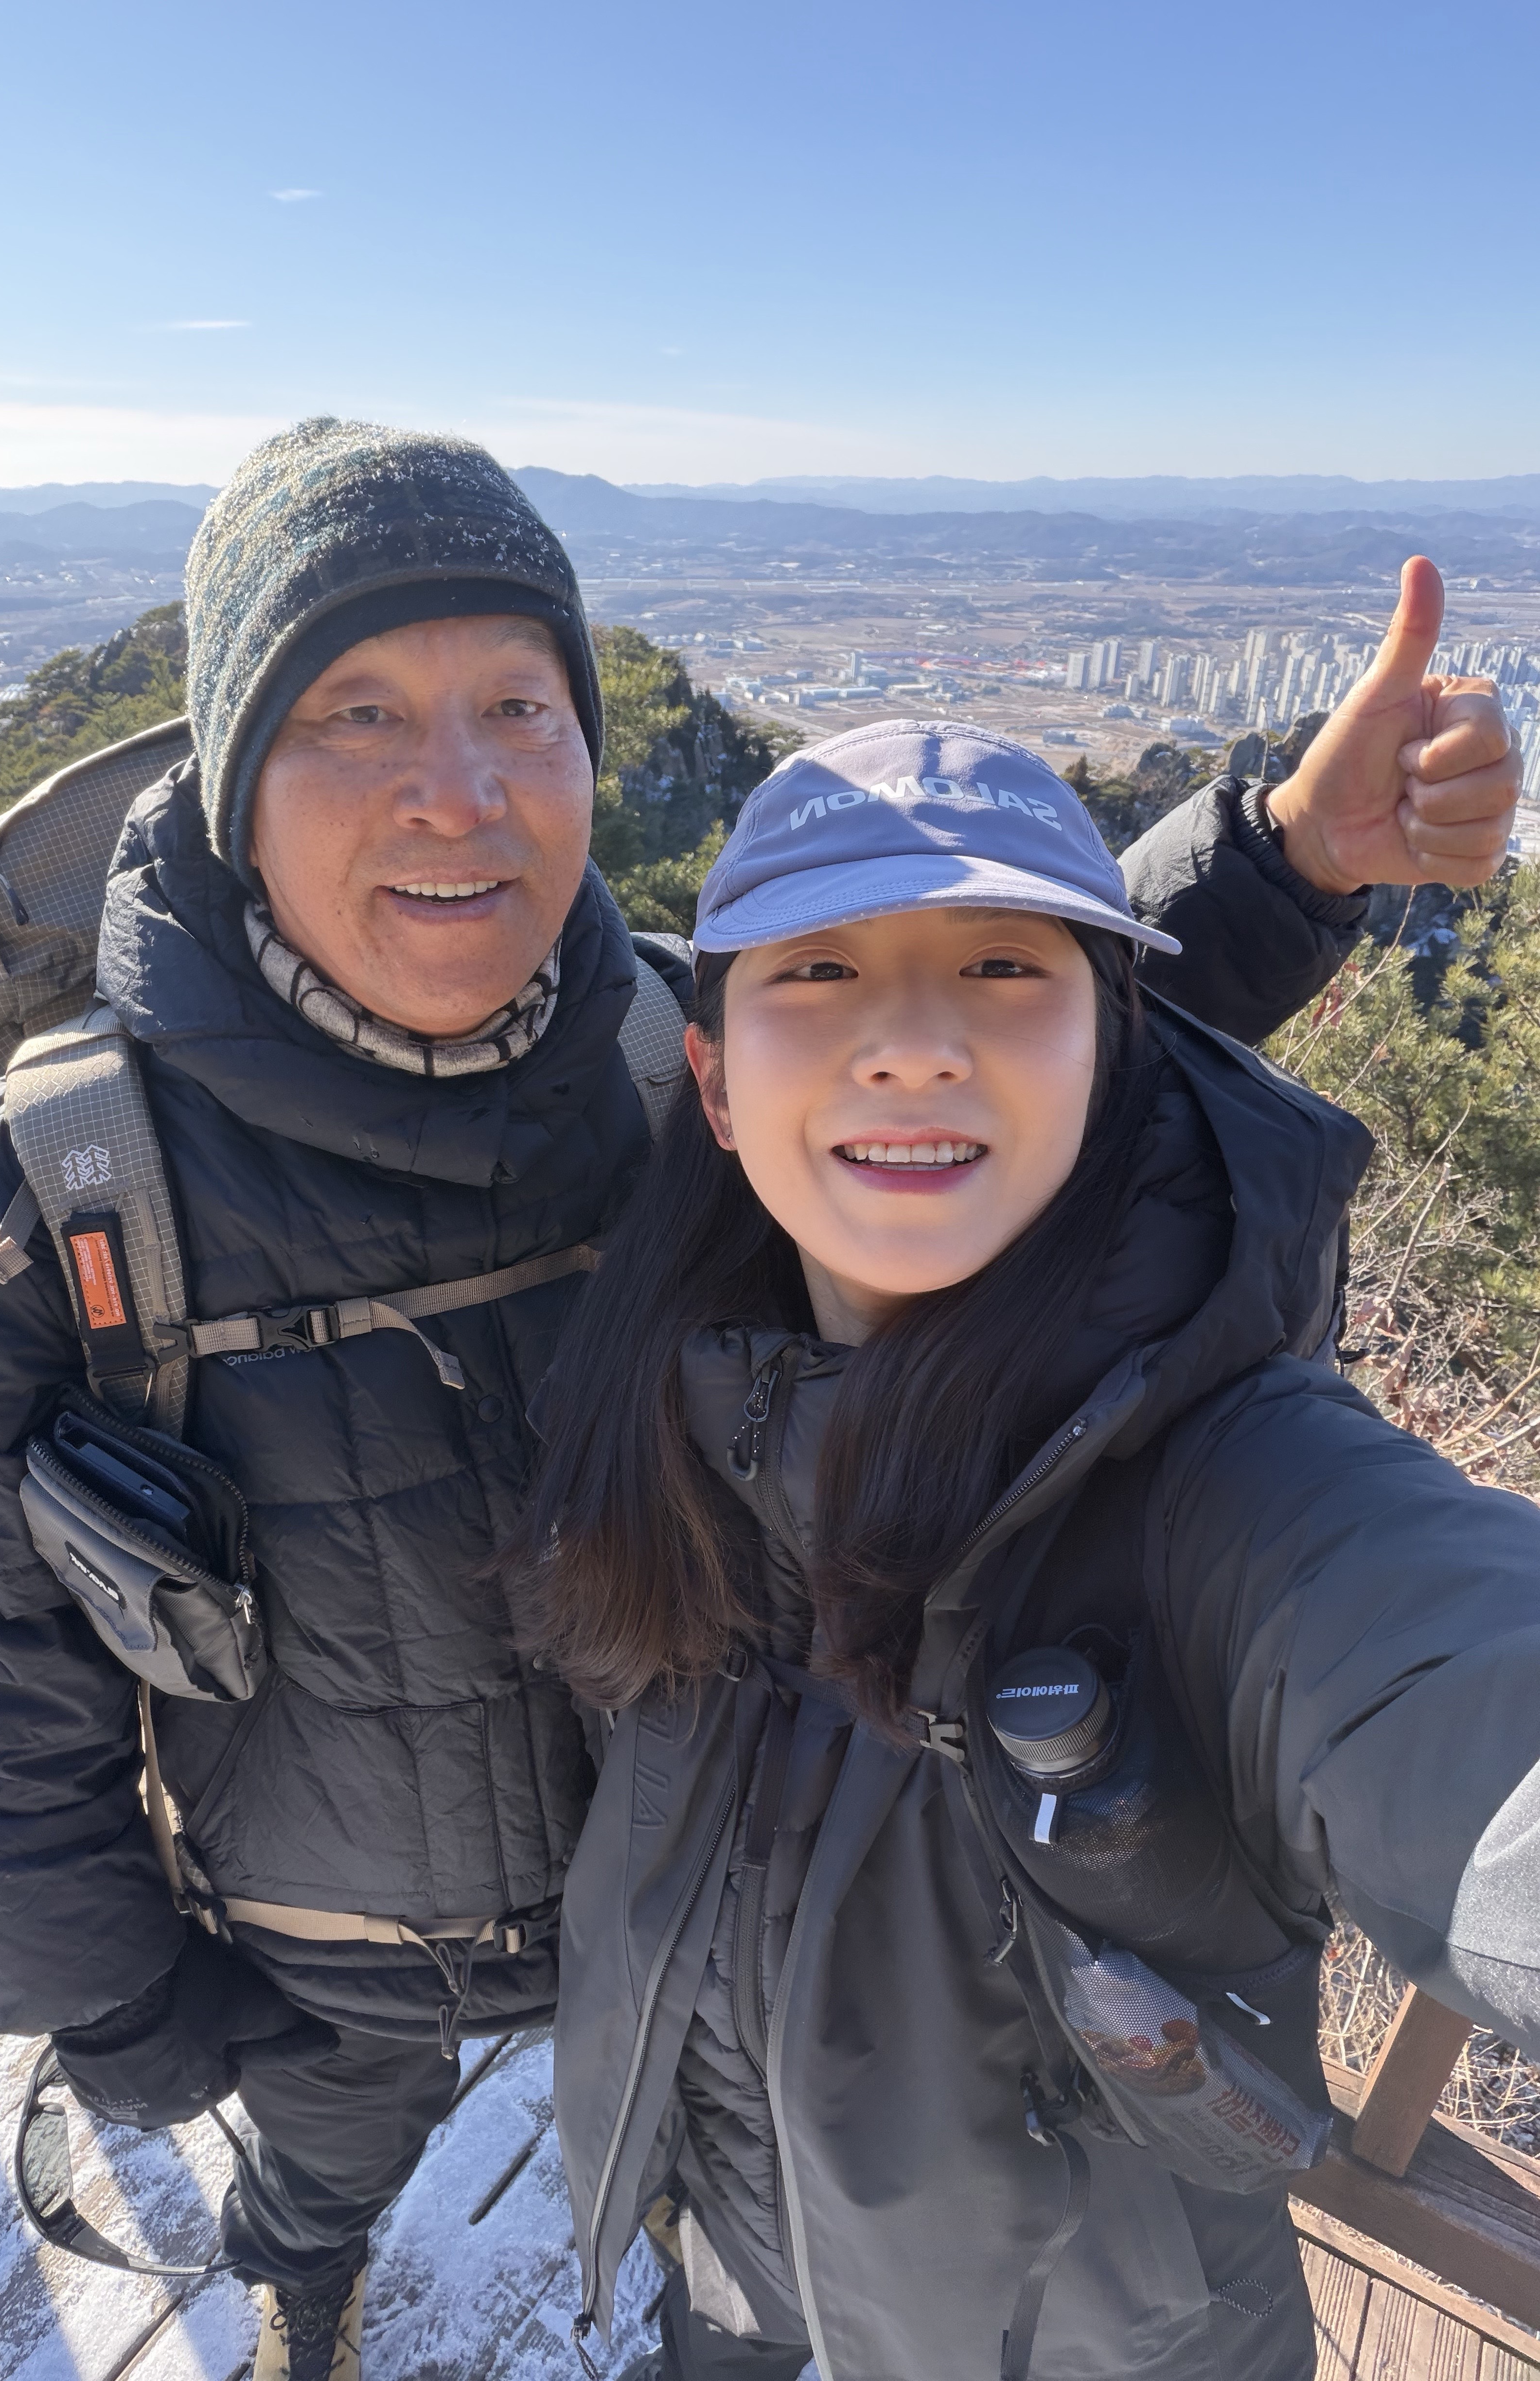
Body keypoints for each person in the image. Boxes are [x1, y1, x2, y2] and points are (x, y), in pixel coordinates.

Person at [0, 413, 1518, 2381]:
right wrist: (114, 2001)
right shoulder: (50, 1186)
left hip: (659, 1883)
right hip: (324, 1941)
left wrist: (1279, 863)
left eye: (520, 706)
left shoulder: (658, 1049)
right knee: (319, 2166)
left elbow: (943, 1048)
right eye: (353, 717)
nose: (458, 791)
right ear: (230, 778)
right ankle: (305, 2283)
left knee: (694, 2184)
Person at [519, 715, 1540, 2381]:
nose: (916, 1046)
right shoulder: (669, 1401)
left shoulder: (1228, 1485)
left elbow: (1452, 1680)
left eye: (1003, 967)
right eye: (818, 973)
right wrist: (1280, 856)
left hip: (1100, 2341)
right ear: (711, 1083)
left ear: (1114, 1053)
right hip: (733, 2253)